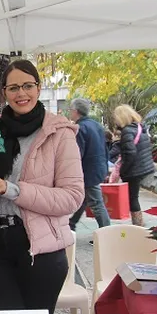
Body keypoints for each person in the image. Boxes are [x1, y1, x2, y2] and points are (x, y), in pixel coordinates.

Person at [0, 59, 84, 314]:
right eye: (13, 88)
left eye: (27, 86)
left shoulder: (59, 134)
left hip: (39, 250)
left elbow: (72, 197)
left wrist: (13, 190)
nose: (21, 93)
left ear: (38, 88)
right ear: (4, 92)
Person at [67, 98, 111, 232]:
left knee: (96, 203)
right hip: (98, 168)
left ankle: (107, 233)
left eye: (70, 110)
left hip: (88, 171)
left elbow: (78, 154)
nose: (69, 112)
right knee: (85, 198)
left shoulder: (80, 128)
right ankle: (72, 223)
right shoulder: (96, 125)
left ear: (75, 111)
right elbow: (105, 148)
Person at [112, 104, 154, 227]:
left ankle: (138, 225)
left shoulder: (127, 131)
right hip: (143, 167)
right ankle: (138, 224)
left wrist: (123, 171)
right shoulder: (140, 127)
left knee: (132, 198)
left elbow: (130, 153)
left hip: (135, 170)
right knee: (134, 197)